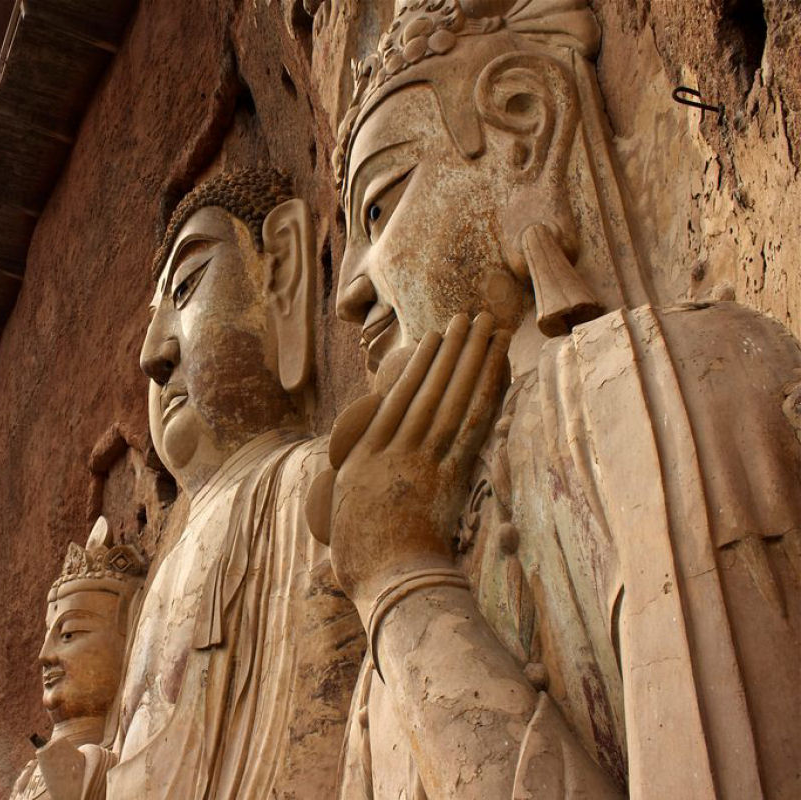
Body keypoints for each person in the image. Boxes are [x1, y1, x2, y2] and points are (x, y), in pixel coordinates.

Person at [310, 0, 801, 797]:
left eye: (379, 205)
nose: (349, 292)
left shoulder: (677, 392)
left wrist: (404, 583)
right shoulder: (379, 638)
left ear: (524, 131)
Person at [103, 169, 362, 799]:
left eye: (187, 288)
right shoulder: (159, 579)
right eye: (151, 319)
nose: (152, 354)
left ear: (283, 277)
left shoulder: (314, 483)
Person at [8, 517, 146, 800]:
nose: (45, 655)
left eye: (69, 634)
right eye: (49, 634)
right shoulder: (26, 781)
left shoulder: (109, 763)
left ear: (128, 640)